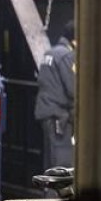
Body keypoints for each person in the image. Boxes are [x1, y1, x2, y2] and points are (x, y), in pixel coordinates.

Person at [34, 20, 76, 168]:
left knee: (51, 160)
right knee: (61, 161)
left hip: (46, 112)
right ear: (75, 40)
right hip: (59, 116)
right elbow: (73, 88)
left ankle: (48, 191)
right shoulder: (67, 56)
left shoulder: (50, 53)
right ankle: (57, 192)